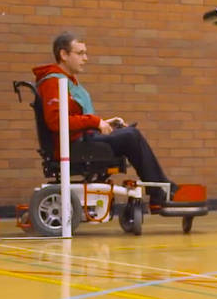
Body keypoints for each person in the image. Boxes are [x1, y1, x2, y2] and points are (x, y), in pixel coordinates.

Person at [32, 32, 176, 205]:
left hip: (81, 138)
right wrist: (95, 122)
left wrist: (104, 123)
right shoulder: (53, 82)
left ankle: (160, 190)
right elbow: (56, 122)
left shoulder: (67, 81)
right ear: (63, 55)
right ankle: (160, 192)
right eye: (80, 53)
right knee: (131, 136)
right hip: (73, 146)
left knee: (128, 132)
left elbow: (73, 118)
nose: (85, 58)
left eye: (85, 53)